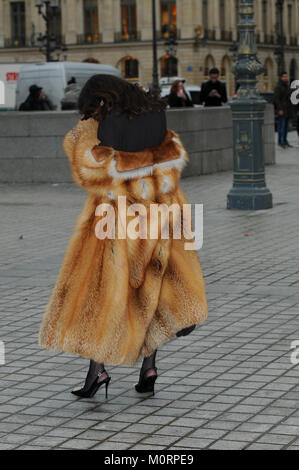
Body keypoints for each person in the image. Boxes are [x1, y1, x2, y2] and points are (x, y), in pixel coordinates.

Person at [39, 75, 208, 399]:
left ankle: (97, 372)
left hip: (118, 228)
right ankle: (149, 368)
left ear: (102, 101)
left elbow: (88, 173)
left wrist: (83, 132)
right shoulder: (158, 123)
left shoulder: (108, 140)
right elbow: (167, 176)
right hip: (162, 224)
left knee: (104, 298)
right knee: (150, 296)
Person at [274, 72, 293, 148]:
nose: (286, 78)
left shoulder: (287, 86)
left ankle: (285, 141)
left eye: (286, 76)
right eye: (284, 77)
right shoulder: (278, 87)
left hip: (287, 109)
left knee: (286, 127)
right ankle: (280, 141)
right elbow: (276, 99)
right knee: (281, 126)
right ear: (281, 77)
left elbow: (288, 96)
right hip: (282, 109)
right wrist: (279, 109)